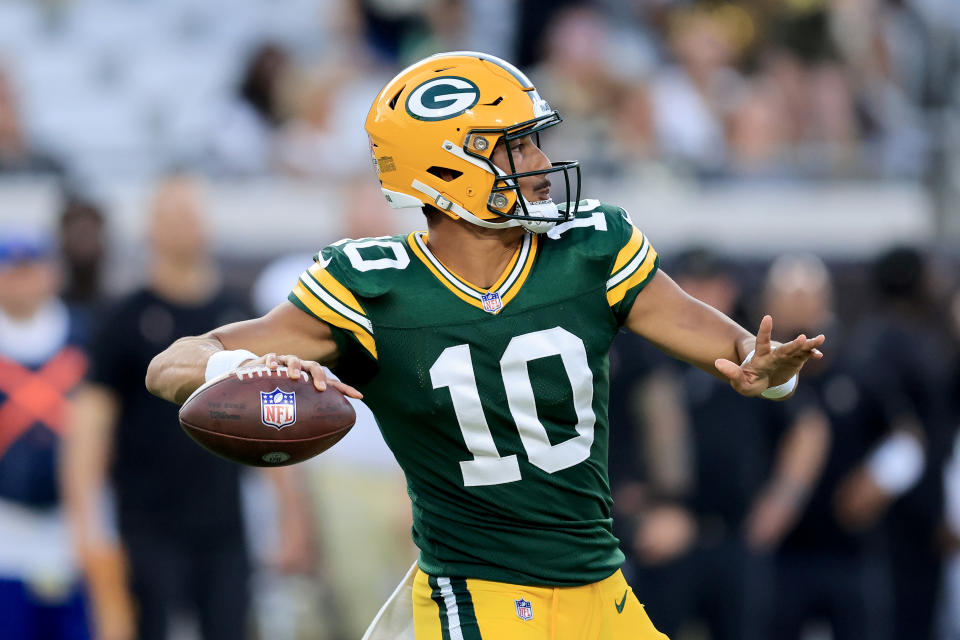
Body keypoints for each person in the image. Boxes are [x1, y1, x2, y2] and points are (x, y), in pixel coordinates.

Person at [145, 51, 824, 639]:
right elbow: (170, 365)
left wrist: (769, 373)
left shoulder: (590, 248)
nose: (539, 161)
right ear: (446, 168)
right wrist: (242, 364)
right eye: (515, 146)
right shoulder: (372, 288)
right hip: (478, 593)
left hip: (600, 585)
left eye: (533, 141)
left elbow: (738, 352)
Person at [62, 174, 314, 640]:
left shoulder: (240, 317)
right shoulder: (123, 319)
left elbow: (272, 418)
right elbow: (90, 427)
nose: (185, 227)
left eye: (192, 215)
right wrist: (84, 527)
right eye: (173, 216)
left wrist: (291, 515)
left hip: (224, 519)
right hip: (146, 519)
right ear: (151, 228)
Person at [608, 250, 828, 640]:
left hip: (736, 533)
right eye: (692, 284)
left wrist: (782, 502)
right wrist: (636, 516)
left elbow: (808, 427)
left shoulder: (747, 352)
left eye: (714, 283)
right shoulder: (644, 355)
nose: (704, 293)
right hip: (667, 533)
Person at [0, 232, 91, 639]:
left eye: (31, 269)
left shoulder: (85, 335)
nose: (23, 281)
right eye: (12, 272)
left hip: (75, 526)